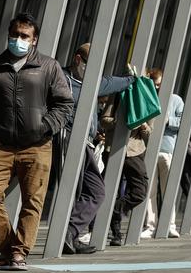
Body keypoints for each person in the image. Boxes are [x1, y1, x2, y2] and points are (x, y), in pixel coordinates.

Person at [0, 12, 73, 270]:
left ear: (34, 40)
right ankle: (8, 249)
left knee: (33, 201)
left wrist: (44, 127)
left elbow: (64, 104)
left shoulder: (48, 66)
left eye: (24, 36)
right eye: (15, 34)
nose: (18, 39)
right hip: (1, 145)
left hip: (37, 146)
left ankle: (18, 253)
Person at [60, 43, 134, 254]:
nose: (94, 73)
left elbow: (111, 83)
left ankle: (69, 233)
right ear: (77, 59)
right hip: (68, 140)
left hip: (86, 143)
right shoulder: (63, 80)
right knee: (85, 190)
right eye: (89, 65)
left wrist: (134, 79)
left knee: (95, 191)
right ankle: (67, 234)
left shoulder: (91, 82)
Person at [100, 93, 152, 246]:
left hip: (134, 151)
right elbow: (104, 120)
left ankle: (116, 209)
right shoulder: (117, 96)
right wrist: (120, 123)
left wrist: (141, 124)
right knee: (110, 190)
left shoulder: (145, 98)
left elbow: (149, 131)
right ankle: (116, 234)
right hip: (113, 149)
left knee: (140, 190)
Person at [142, 68, 182, 239]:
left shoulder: (176, 100)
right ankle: (150, 225)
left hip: (167, 148)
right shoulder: (148, 97)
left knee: (168, 189)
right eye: (154, 85)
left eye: (159, 85)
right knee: (149, 191)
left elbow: (184, 121)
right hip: (149, 148)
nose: (157, 89)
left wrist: (168, 120)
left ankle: (170, 225)